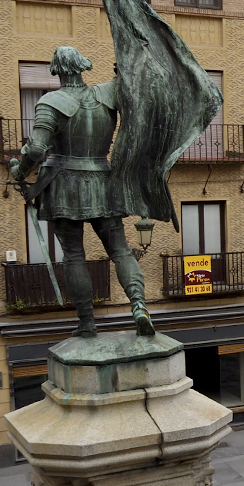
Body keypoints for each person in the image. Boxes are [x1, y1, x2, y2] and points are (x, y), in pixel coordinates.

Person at [10, 46, 153, 338]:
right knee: (121, 250)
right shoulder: (108, 94)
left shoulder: (50, 102)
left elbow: (37, 149)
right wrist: (125, 61)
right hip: (104, 180)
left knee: (74, 254)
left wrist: (19, 172)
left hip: (65, 185)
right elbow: (134, 80)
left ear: (56, 70)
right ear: (81, 67)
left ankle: (87, 323)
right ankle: (138, 305)